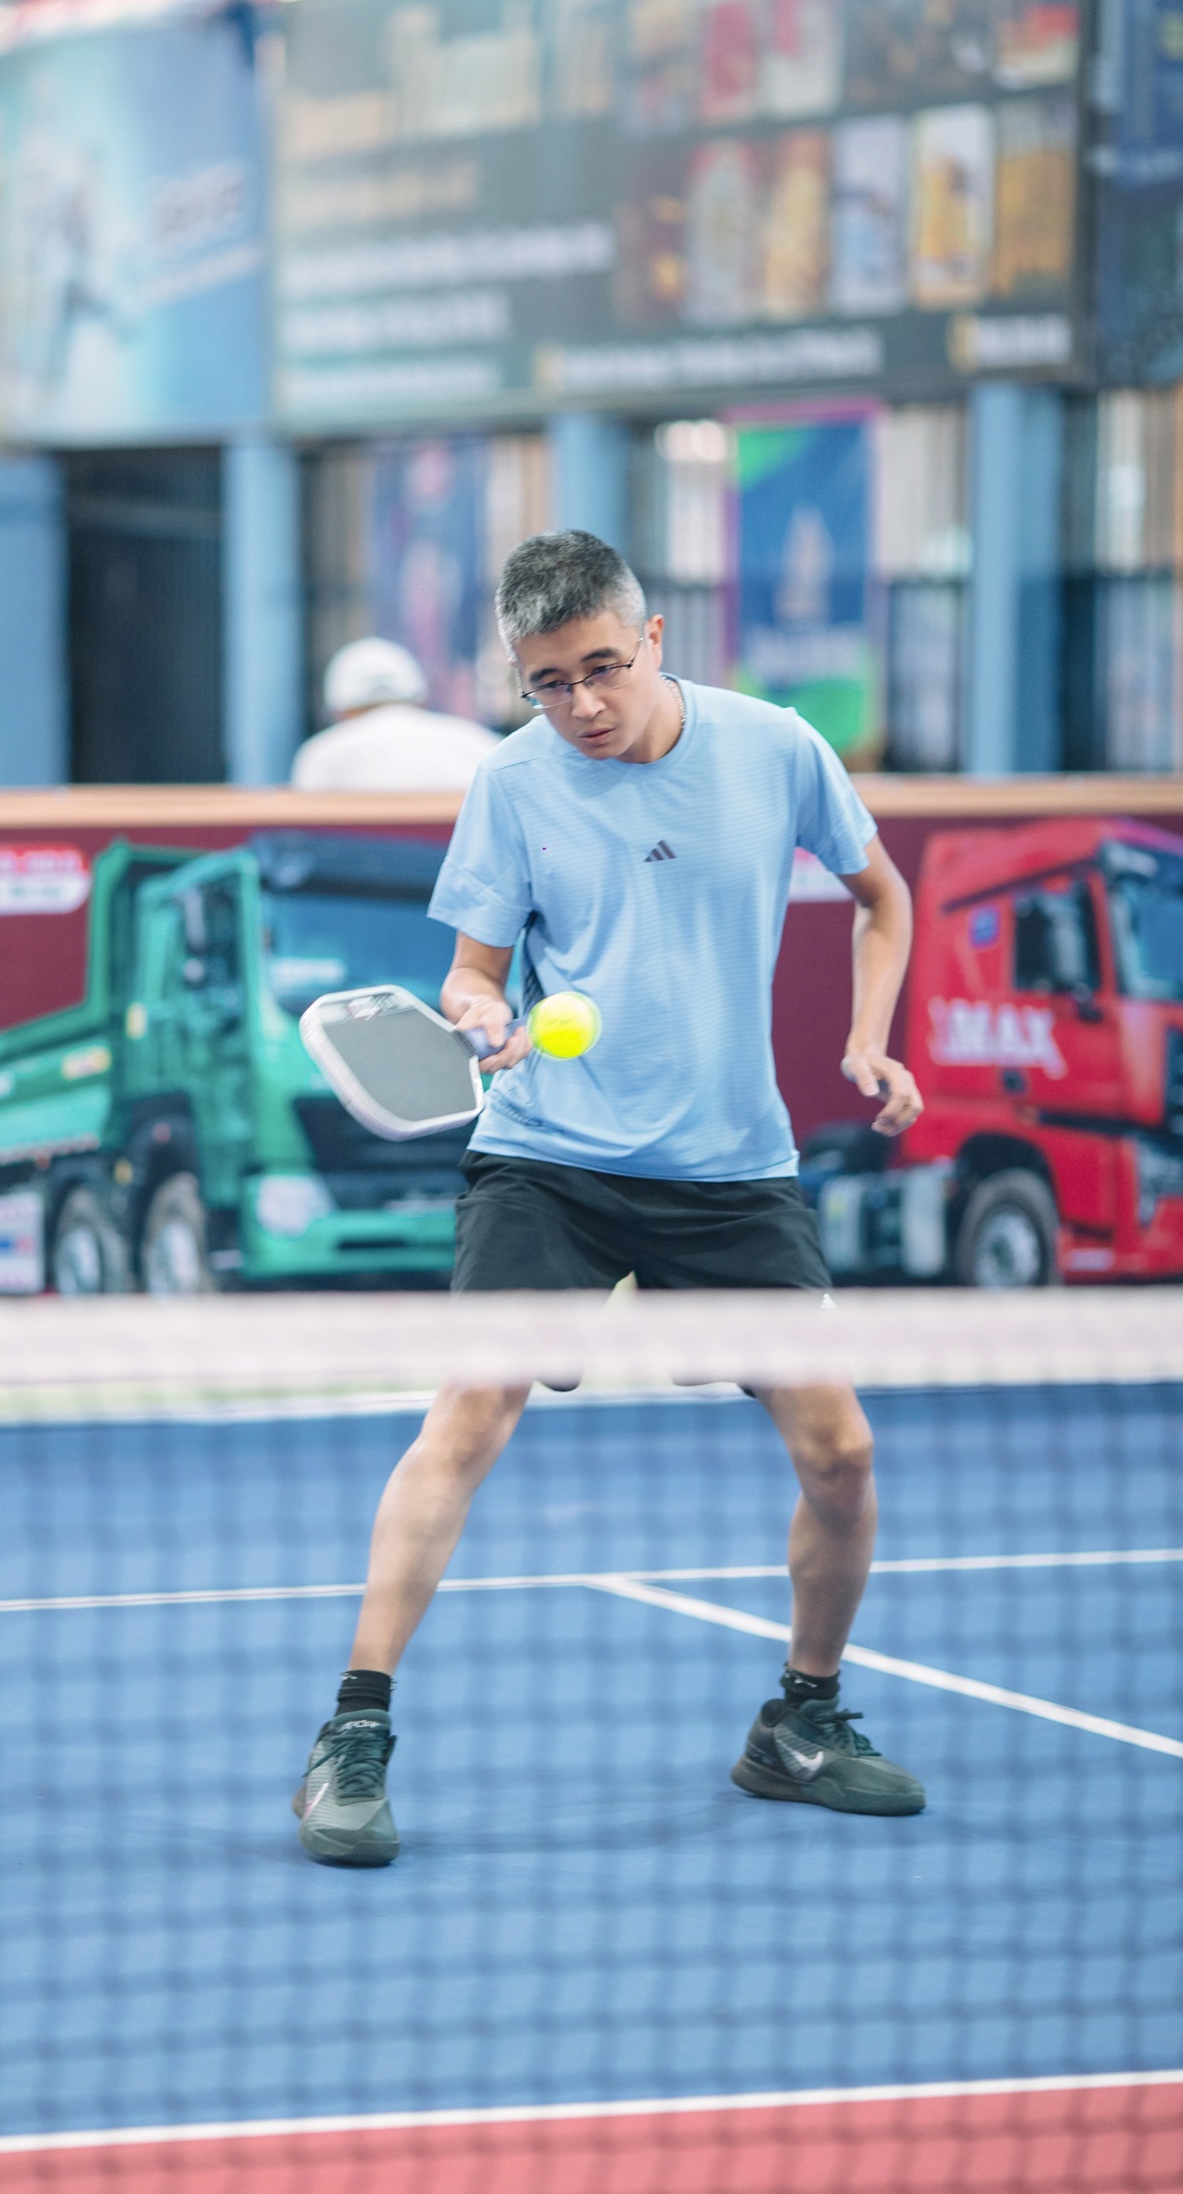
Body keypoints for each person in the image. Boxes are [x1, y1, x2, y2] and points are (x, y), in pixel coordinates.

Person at [292, 532, 927, 1868]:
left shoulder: (774, 749)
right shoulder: (512, 785)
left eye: (599, 669)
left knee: (842, 1456)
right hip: (549, 1158)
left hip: (728, 1168)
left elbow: (880, 895)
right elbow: (472, 974)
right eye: (545, 682)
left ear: (651, 639)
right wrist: (482, 1015)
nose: (579, 704)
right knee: (469, 1412)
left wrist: (869, 1038)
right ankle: (351, 1736)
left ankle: (799, 1719)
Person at [290, 637, 501, 792]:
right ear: (421, 700)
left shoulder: (321, 755)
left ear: (340, 711)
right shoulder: (476, 742)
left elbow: (305, 833)